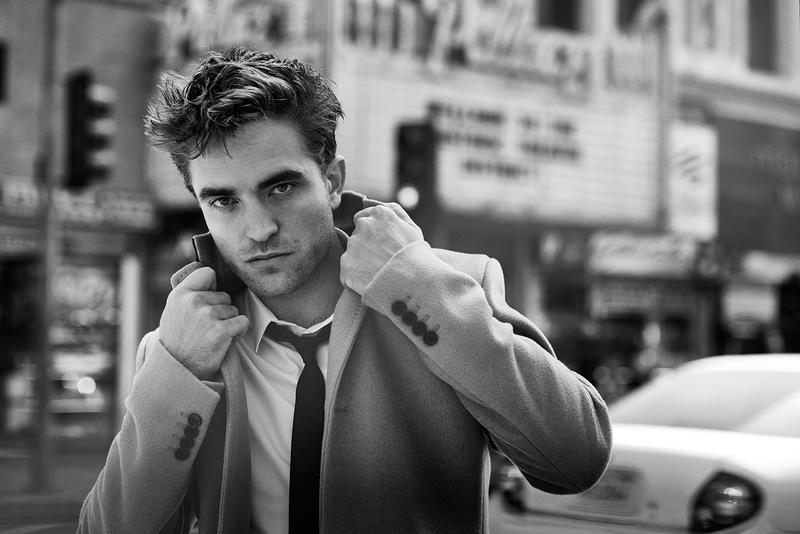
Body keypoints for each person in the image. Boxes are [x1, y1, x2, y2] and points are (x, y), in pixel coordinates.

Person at [78, 46, 612, 534]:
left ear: (332, 181)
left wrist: (420, 286)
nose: (258, 228)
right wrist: (178, 370)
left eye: (280, 187)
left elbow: (575, 461)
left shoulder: (447, 292)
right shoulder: (179, 346)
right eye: (223, 201)